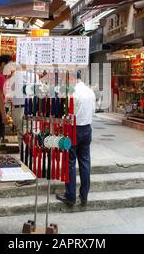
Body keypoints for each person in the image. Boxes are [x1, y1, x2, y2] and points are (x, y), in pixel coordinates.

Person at [56, 70, 96, 206]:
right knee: (85, 162)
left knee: (70, 162)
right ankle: (84, 195)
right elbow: (93, 111)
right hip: (87, 128)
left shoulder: (71, 93)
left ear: (72, 78)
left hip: (73, 129)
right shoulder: (90, 91)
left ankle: (71, 196)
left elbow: (67, 113)